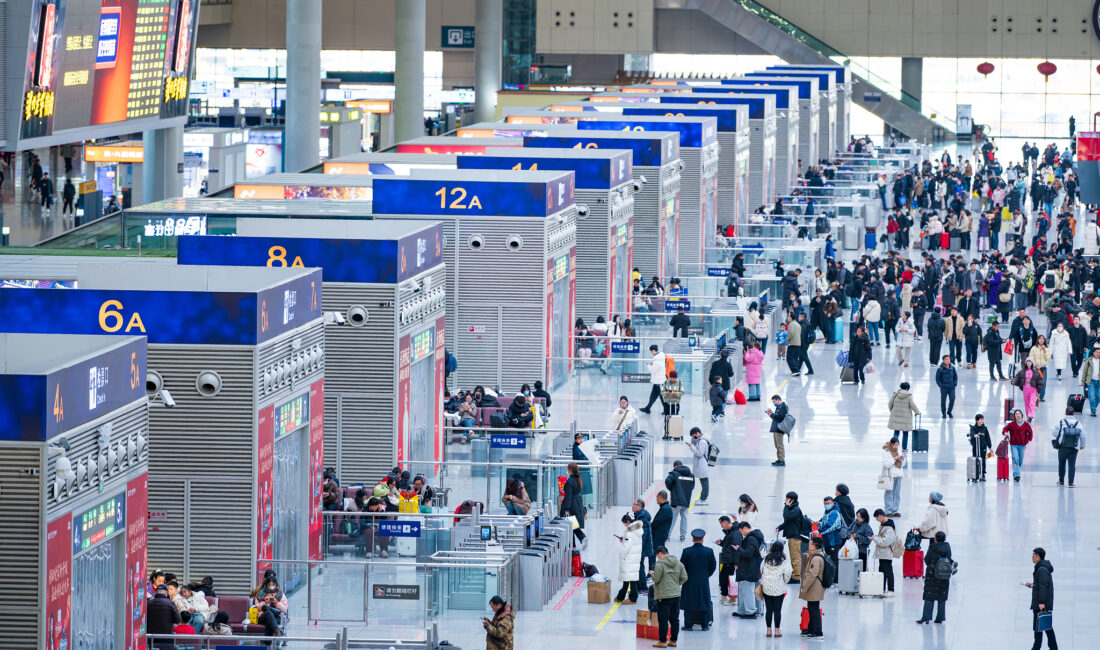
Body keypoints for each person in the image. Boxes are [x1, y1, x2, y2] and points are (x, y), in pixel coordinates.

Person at [679, 529, 717, 631]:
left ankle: (688, 625)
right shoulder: (709, 551)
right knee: (704, 601)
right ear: (702, 540)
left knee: (689, 602)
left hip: (689, 581)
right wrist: (706, 575)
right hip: (703, 581)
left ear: (693, 539)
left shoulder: (686, 551)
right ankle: (704, 626)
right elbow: (713, 566)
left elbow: (681, 567)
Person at [650, 546, 687, 648]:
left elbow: (656, 579)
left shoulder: (660, 564)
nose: (658, 558)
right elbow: (684, 577)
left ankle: (662, 641)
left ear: (660, 554)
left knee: (663, 619)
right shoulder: (678, 563)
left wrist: (652, 574)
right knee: (675, 619)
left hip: (664, 596)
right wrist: (676, 584)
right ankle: (673, 641)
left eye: (658, 556)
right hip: (676, 595)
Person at [917, 531, 952, 624]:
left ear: (935, 538)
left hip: (932, 575)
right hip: (944, 576)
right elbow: (949, 558)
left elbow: (927, 559)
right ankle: (940, 618)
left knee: (929, 596)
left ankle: (926, 617)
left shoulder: (932, 547)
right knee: (942, 596)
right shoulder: (947, 547)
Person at [1025, 547, 1057, 650]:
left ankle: (1037, 648)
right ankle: (1053, 648)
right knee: (1046, 627)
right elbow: (1041, 584)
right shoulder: (1042, 567)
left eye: (1034, 555)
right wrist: (1034, 585)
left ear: (1038, 557)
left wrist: (1042, 602)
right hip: (1041, 603)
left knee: (1040, 628)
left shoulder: (1042, 569)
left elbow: (1044, 586)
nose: (1032, 557)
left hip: (1041, 604)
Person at [759, 540, 792, 637]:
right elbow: (788, 572)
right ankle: (777, 631)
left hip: (766, 587)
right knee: (777, 610)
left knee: (769, 610)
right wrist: (785, 581)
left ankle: (768, 630)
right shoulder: (784, 559)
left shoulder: (766, 558)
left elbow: (761, 569)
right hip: (779, 588)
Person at [733, 521, 765, 618]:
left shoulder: (751, 539)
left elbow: (749, 553)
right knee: (755, 590)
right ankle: (754, 610)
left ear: (745, 528)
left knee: (747, 591)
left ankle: (750, 611)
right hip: (755, 567)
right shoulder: (756, 537)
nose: (741, 534)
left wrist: (738, 549)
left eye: (741, 531)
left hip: (748, 569)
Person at [799, 536, 826, 638]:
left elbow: (812, 575)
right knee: (811, 608)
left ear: (814, 546)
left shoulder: (816, 558)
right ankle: (811, 629)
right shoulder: (816, 555)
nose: (809, 545)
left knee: (814, 609)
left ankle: (818, 632)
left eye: (811, 544)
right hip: (815, 587)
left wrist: (804, 587)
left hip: (815, 587)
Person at [614, 514, 644, 603]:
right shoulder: (637, 530)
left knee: (631, 579)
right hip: (634, 557)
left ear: (627, 522)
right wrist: (623, 540)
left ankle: (632, 598)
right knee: (628, 579)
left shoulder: (630, 533)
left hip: (629, 558)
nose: (624, 525)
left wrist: (621, 555)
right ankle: (621, 596)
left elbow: (626, 547)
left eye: (624, 523)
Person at [1052, 407, 1085, 487]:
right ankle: (1071, 482)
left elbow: (1054, 433)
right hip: (1074, 448)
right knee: (1072, 465)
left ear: (1065, 413)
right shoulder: (1079, 424)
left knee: (1062, 464)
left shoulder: (1061, 422)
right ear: (1073, 413)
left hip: (1062, 447)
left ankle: (1061, 481)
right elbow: (1083, 436)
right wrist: (1082, 446)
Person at [776, 491, 805, 582]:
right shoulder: (793, 509)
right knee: (793, 557)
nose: (785, 500)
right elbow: (788, 522)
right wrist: (780, 527)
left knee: (795, 557)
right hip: (792, 535)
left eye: (787, 499)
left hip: (795, 537)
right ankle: (795, 575)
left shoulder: (795, 510)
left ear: (791, 500)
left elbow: (786, 517)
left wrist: (786, 506)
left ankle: (796, 577)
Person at [664, 460, 695, 541]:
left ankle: (668, 535)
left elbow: (667, 481)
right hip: (686, 501)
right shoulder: (691, 475)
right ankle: (683, 536)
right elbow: (692, 487)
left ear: (675, 466)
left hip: (676, 501)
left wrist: (672, 489)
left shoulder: (674, 474)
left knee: (673, 518)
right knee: (684, 517)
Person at [872, 510, 898, 597]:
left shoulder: (889, 528)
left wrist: (875, 539)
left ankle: (891, 589)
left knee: (888, 572)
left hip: (886, 553)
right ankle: (881, 589)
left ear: (880, 516)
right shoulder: (883, 526)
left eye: (877, 518)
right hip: (882, 553)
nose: (877, 520)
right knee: (882, 571)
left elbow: (885, 541)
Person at [887, 382, 920, 451]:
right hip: (906, 418)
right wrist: (917, 412)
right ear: (907, 388)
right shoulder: (909, 396)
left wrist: (892, 411)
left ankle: (893, 446)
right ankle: (904, 448)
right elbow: (913, 405)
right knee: (905, 433)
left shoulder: (895, 394)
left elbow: (890, 403)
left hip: (895, 415)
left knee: (896, 432)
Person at [561, 462, 587, 548]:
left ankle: (573, 546)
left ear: (570, 470)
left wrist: (566, 509)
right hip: (577, 504)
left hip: (571, 506)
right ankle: (582, 538)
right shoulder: (577, 480)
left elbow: (568, 496)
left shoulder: (569, 482)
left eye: (567, 469)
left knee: (569, 527)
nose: (566, 470)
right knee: (573, 524)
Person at [632, 498, 655, 592]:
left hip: (641, 547)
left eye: (635, 504)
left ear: (640, 506)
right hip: (641, 546)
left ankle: (642, 587)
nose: (633, 506)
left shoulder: (642, 518)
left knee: (639, 566)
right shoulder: (639, 515)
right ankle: (639, 586)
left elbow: (643, 535)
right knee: (639, 565)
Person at [716, 515, 739, 606]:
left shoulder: (735, 533)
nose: (721, 526)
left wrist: (736, 563)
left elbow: (737, 549)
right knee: (724, 578)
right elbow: (728, 545)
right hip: (727, 559)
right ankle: (727, 596)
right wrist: (721, 543)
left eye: (721, 524)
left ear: (726, 523)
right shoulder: (730, 532)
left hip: (731, 561)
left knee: (729, 579)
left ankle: (732, 598)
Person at [686, 427, 711, 503]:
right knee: (703, 482)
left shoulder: (702, 442)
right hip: (700, 464)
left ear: (697, 433)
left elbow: (700, 453)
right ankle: (703, 498)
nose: (694, 437)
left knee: (704, 483)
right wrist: (693, 442)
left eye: (694, 435)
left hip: (702, 464)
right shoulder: (700, 440)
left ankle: (703, 499)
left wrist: (691, 446)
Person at [640, 345, 666, 414]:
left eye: (651, 351)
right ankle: (647, 408)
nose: (651, 353)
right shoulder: (661, 356)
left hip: (659, 381)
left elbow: (653, 370)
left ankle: (666, 410)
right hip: (658, 380)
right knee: (653, 396)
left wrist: (648, 364)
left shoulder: (657, 359)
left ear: (653, 350)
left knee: (662, 397)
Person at [765, 394, 790, 466]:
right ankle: (779, 459)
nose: (774, 403)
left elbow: (780, 418)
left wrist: (772, 415)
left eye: (774, 401)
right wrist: (771, 414)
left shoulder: (783, 407)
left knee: (779, 445)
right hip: (776, 428)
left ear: (778, 400)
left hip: (779, 429)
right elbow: (776, 417)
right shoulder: (779, 407)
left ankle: (782, 460)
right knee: (777, 445)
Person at [818, 496, 843, 566]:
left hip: (833, 542)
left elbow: (830, 525)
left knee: (833, 562)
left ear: (833, 503)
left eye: (828, 503)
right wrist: (820, 524)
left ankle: (835, 577)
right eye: (825, 504)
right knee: (829, 562)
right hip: (827, 541)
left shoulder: (835, 513)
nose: (826, 505)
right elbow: (825, 523)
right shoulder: (826, 512)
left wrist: (819, 531)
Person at [968, 414, 993, 481]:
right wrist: (974, 435)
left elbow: (988, 438)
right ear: (977, 420)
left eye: (983, 419)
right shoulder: (973, 428)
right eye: (981, 419)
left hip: (983, 447)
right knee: (975, 460)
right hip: (975, 447)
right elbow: (971, 433)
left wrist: (990, 447)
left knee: (983, 460)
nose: (982, 421)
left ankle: (982, 474)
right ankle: (975, 474)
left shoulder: (985, 428)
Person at [1081, 347, 1100, 416]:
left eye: (1099, 352)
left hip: (1099, 382)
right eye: (1097, 352)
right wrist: (1083, 380)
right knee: (1091, 397)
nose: (1098, 353)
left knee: (1098, 397)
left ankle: (1093, 407)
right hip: (1091, 381)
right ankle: (1093, 411)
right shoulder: (1089, 360)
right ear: (1093, 353)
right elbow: (1085, 371)